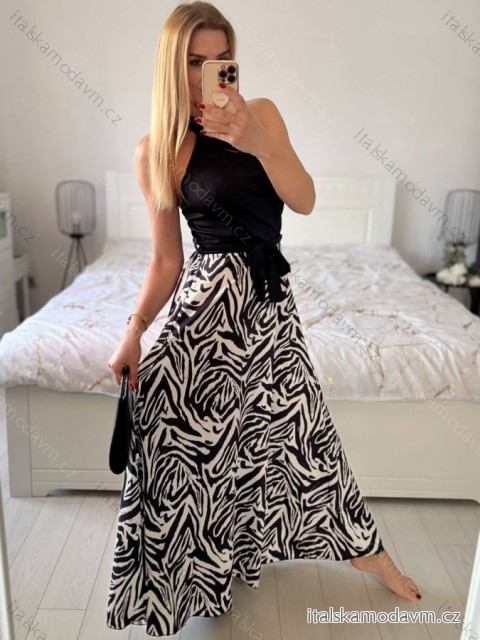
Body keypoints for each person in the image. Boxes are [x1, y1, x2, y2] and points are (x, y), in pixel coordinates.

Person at [105, 1, 421, 636]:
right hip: (203, 309)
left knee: (303, 435)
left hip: (268, 302)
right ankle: (197, 578)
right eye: (194, 61)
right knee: (186, 446)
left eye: (221, 58)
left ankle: (367, 552)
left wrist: (256, 142)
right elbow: (167, 260)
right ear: (172, 66)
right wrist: (133, 331)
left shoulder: (264, 115)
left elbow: (304, 199)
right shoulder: (156, 151)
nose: (209, 72)